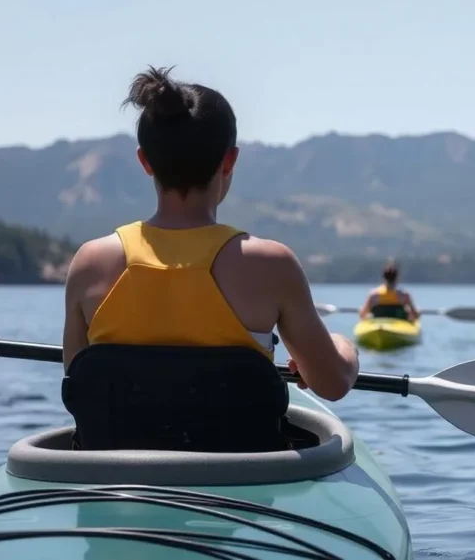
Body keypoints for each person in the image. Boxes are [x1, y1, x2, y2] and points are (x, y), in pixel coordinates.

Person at [61, 66, 359, 451]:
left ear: (145, 161)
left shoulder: (89, 264)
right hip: (239, 493)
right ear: (229, 161)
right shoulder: (270, 265)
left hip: (119, 492)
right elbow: (332, 383)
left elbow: (78, 377)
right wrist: (344, 348)